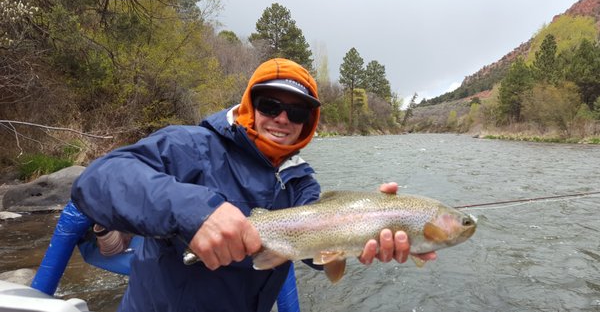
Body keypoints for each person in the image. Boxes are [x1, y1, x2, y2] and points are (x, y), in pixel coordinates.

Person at [71, 58, 435, 312]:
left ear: (310, 121)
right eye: (270, 104)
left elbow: (317, 253)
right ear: (250, 104)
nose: (281, 118)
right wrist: (195, 212)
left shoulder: (301, 182)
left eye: (297, 112)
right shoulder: (193, 146)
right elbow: (98, 180)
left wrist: (369, 224)